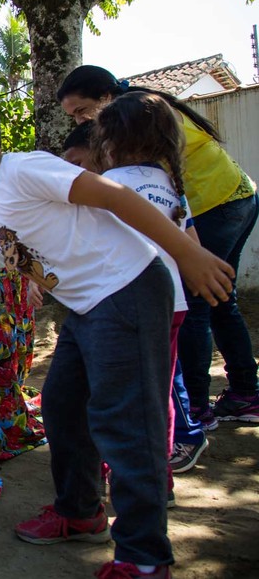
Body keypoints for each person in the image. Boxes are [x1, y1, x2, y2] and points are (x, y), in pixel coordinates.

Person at [0, 93, 233, 579]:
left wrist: (188, 254)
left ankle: (143, 559)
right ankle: (80, 512)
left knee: (124, 425)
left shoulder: (25, 171)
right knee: (61, 407)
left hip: (127, 289)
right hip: (87, 306)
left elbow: (115, 196)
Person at [58, 66, 259, 427]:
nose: (81, 120)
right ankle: (244, 392)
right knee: (217, 298)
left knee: (198, 299)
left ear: (106, 98)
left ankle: (195, 410)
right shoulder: (146, 111)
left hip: (217, 201)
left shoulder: (135, 124)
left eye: (81, 110)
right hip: (235, 195)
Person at [62, 119, 209, 475]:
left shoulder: (110, 186)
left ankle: (118, 468)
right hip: (173, 303)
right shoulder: (173, 188)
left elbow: (82, 244)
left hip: (123, 303)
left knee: (112, 393)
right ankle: (162, 477)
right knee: (157, 395)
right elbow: (194, 249)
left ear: (107, 145)